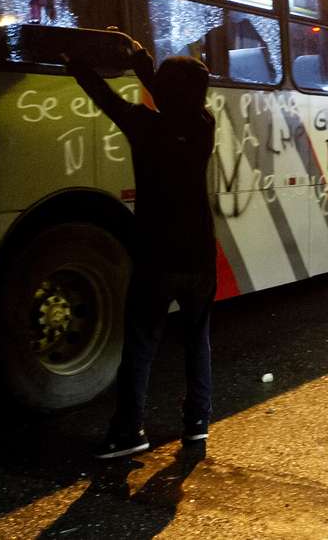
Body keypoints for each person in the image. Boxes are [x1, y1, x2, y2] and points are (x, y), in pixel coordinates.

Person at [65, 40, 217, 459]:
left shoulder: (143, 125)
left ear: (162, 90)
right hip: (200, 255)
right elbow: (176, 99)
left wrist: (76, 60)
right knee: (196, 340)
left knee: (141, 346)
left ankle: (129, 431)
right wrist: (145, 68)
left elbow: (102, 96)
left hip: (156, 255)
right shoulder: (205, 125)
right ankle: (197, 425)